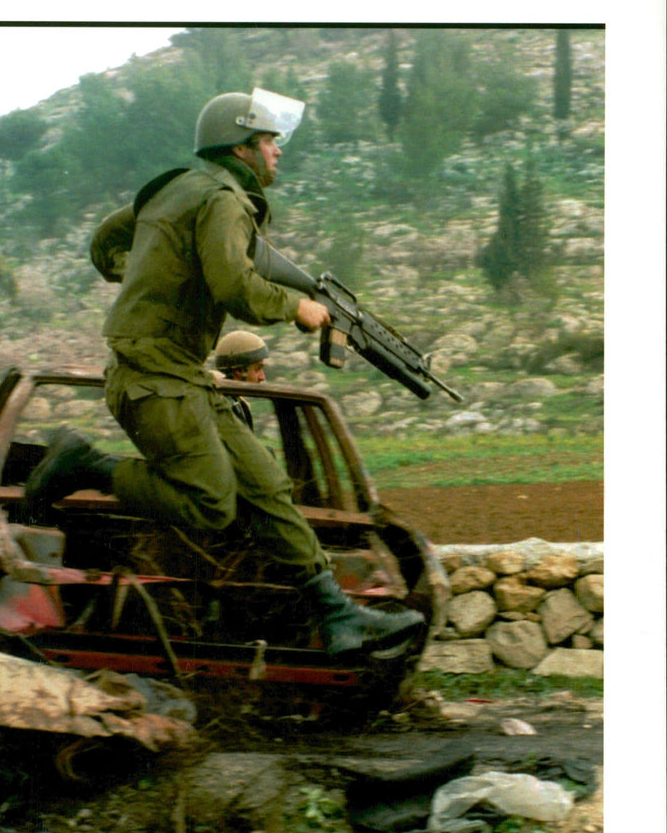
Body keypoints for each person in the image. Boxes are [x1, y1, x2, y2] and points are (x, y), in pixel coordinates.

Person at [24, 88, 424, 658]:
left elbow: (104, 243)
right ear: (239, 147)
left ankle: (338, 618)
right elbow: (234, 286)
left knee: (266, 485)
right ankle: (84, 463)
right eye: (268, 140)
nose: (277, 151)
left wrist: (153, 274)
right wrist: (297, 307)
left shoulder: (177, 187)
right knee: (211, 502)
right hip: (151, 374)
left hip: (179, 371)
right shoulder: (223, 200)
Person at [214, 329, 268, 428]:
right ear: (240, 371)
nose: (262, 377)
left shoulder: (238, 404)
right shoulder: (223, 407)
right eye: (258, 369)